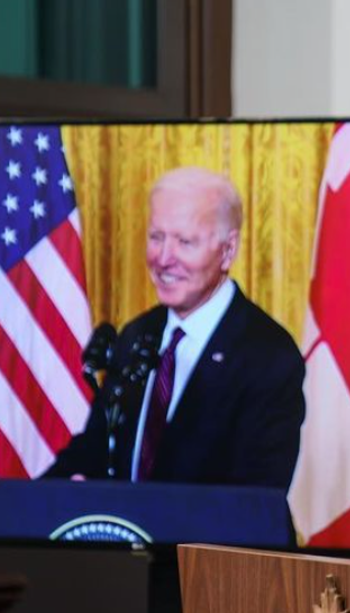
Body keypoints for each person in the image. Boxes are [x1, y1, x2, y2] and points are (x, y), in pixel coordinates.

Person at [45, 167, 306, 490]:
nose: (164, 258)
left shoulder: (269, 356)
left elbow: (254, 498)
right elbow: (98, 447)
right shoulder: (137, 335)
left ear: (228, 250)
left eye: (185, 241)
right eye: (156, 237)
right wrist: (41, 497)